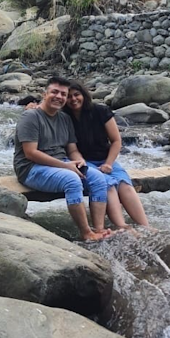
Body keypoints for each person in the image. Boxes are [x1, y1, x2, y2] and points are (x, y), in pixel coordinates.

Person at [14, 76, 113, 241]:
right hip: (31, 168)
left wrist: (79, 160)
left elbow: (72, 149)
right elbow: (30, 153)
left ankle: (99, 230)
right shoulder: (31, 117)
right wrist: (65, 166)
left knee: (98, 178)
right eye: (54, 92)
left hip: (60, 164)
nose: (59, 97)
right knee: (71, 180)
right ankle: (86, 233)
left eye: (63, 94)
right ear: (44, 93)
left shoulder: (65, 119)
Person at [63, 80, 149, 230]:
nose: (73, 99)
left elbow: (116, 141)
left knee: (124, 184)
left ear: (84, 95)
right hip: (83, 160)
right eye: (69, 97)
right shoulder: (64, 117)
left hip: (105, 158)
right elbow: (72, 149)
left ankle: (146, 226)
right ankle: (122, 225)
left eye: (77, 95)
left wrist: (108, 163)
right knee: (107, 184)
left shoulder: (100, 111)